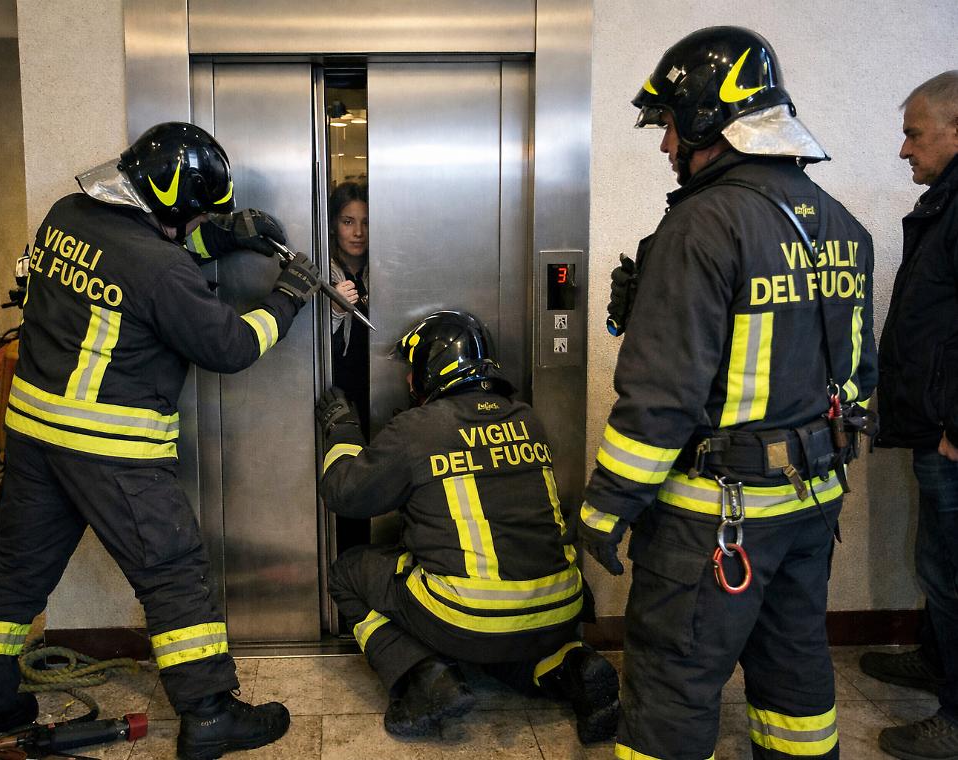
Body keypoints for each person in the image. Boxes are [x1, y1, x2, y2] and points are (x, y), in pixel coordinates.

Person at [0, 122, 321, 760]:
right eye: (194, 215)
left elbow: (134, 255)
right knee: (174, 574)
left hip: (34, 434)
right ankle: (209, 714)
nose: (192, 225)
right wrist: (289, 296)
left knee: (14, 574)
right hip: (111, 445)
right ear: (169, 204)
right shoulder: (162, 269)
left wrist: (222, 234)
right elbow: (228, 345)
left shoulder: (67, 215)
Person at [579, 28, 876, 759]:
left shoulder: (701, 225)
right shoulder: (845, 228)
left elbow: (663, 398)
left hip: (715, 520)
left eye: (671, 126)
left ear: (709, 121)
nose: (663, 147)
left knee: (672, 685)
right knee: (796, 674)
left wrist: (607, 504)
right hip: (811, 505)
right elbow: (856, 378)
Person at [315, 310, 619, 743]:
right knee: (501, 642)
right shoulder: (526, 418)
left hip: (467, 617)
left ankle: (422, 678)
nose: (407, 382)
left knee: (347, 571)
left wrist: (342, 430)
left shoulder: (417, 428)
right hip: (561, 608)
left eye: (410, 371)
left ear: (428, 371)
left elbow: (345, 493)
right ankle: (572, 667)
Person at [860, 70, 958, 760]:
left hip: (954, 437)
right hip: (935, 427)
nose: (903, 150)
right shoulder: (947, 203)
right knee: (941, 566)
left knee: (954, 572)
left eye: (913, 134)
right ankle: (935, 659)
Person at [327, 181, 371, 429]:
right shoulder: (324, 273)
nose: (358, 232)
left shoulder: (385, 272)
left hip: (381, 383)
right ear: (333, 225)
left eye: (366, 222)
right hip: (338, 390)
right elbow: (306, 345)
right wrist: (335, 310)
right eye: (348, 222)